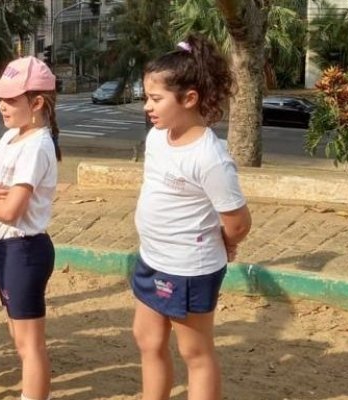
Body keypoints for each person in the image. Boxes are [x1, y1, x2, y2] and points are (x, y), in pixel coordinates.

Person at [132, 34, 252, 400]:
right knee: (147, 339)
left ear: (189, 99)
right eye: (146, 98)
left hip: (189, 268)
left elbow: (238, 221)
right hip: (151, 258)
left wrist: (226, 242)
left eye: (155, 99)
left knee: (194, 352)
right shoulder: (157, 137)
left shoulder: (210, 158)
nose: (146, 107)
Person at [0, 56, 62, 400]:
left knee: (29, 343)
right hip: (6, 250)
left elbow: (10, 210)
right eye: (0, 100)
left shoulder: (36, 146)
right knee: (18, 336)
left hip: (25, 250)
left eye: (10, 100)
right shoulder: (10, 139)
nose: (2, 107)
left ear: (36, 103)